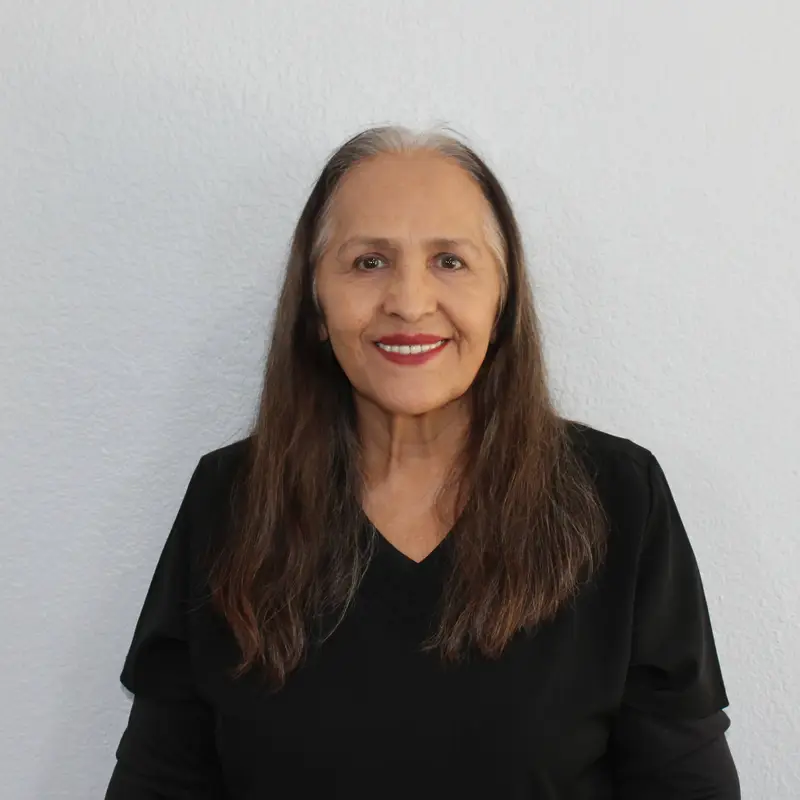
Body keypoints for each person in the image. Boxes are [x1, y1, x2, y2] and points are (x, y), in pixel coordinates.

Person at [105, 125, 740, 799]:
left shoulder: (618, 498)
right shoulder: (230, 499)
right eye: (368, 262)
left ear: (503, 302)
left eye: (450, 261)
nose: (409, 302)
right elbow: (161, 780)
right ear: (317, 304)